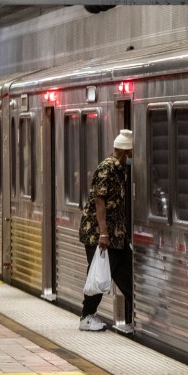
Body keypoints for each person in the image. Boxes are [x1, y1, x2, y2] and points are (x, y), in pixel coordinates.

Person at [78, 129, 134, 331]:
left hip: (117, 234)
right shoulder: (106, 168)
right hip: (98, 234)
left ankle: (137, 317)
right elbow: (99, 201)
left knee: (127, 275)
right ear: (126, 153)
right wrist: (103, 233)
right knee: (99, 275)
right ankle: (86, 317)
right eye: (132, 154)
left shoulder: (120, 169)